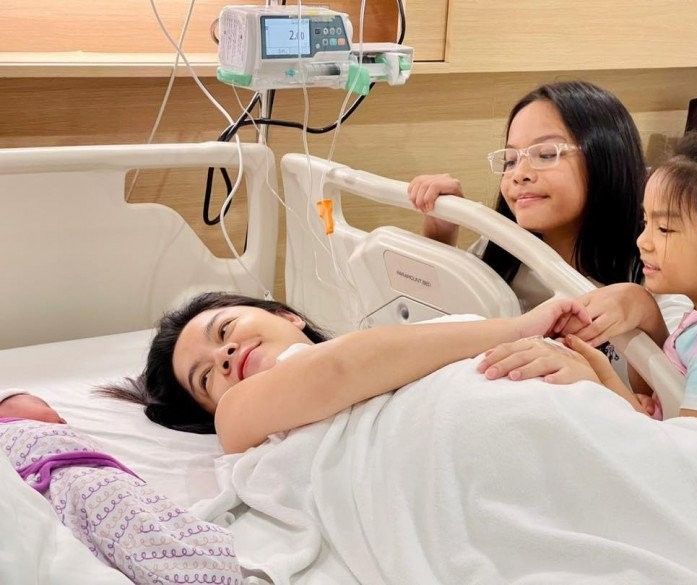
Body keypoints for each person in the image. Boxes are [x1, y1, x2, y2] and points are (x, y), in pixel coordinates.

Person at [479, 116, 697, 421]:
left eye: (665, 229)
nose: (643, 241)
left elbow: (688, 447)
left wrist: (596, 383)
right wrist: (606, 376)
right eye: (645, 222)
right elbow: (661, 395)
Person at [105, 292, 599, 453]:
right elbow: (339, 369)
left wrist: (591, 380)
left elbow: (618, 409)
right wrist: (517, 328)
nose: (226, 354)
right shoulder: (237, 420)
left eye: (225, 329)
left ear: (287, 316)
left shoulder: (430, 334)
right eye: (205, 378)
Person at [407, 80, 646, 309]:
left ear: (606, 158)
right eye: (511, 160)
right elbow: (434, 317)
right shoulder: (498, 251)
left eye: (546, 154)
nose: (519, 174)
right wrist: (440, 234)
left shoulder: (647, 268)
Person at [0, 389, 243, 584]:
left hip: (97, 478)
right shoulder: (10, 431)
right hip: (60, 486)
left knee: (146, 520)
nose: (61, 419)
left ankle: (201, 565)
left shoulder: (56, 436)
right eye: (43, 404)